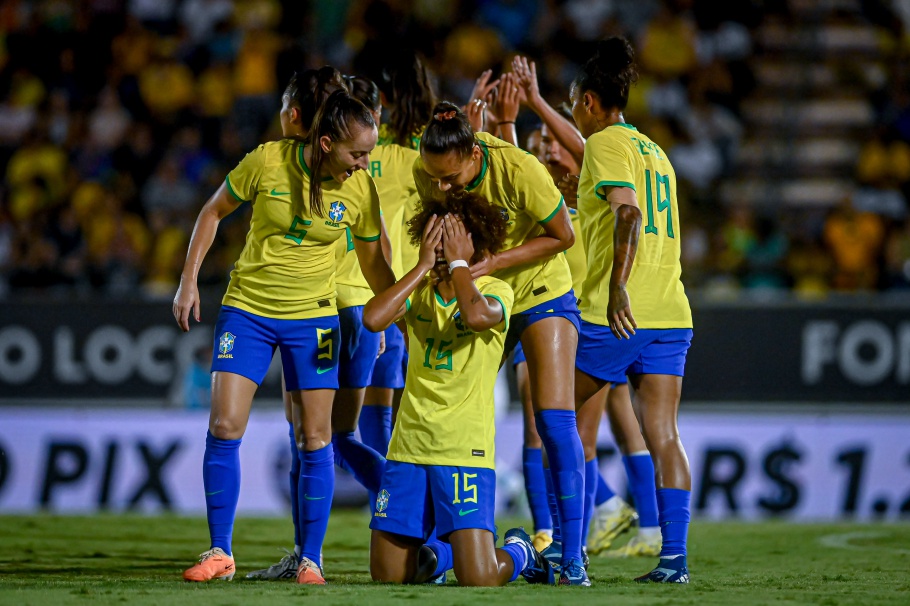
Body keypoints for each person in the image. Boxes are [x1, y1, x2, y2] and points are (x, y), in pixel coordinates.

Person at [174, 82, 396, 585]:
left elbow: (374, 265)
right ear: (325, 144)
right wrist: (188, 281)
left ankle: (310, 561)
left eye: (369, 154)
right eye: (358, 153)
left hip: (314, 319)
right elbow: (213, 211)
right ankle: (220, 553)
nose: (364, 164)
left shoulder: (361, 189)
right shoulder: (267, 161)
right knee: (225, 426)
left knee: (316, 438)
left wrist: (400, 310)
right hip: (247, 311)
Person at [413, 102, 589, 586]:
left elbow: (564, 234)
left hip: (537, 291)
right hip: (479, 288)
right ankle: (442, 548)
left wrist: (493, 263)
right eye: (435, 178)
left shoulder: (520, 168)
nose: (443, 187)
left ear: (474, 153)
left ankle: (572, 555)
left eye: (451, 178)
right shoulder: (428, 166)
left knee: (553, 419)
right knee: (445, 400)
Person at [363, 191, 549, 587]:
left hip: (465, 450)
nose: (444, 245)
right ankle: (441, 553)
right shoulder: (419, 291)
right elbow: (373, 318)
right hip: (409, 447)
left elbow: (477, 315)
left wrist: (462, 264)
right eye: (438, 235)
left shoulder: (498, 291)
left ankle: (521, 550)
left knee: (479, 579)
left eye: (453, 237)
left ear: (473, 240)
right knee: (389, 576)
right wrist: (420, 266)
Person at [569, 37, 694, 583]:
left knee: (551, 417)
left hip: (616, 312)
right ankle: (674, 560)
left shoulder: (603, 144)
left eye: (574, 101)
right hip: (671, 310)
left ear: (591, 101)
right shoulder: (654, 150)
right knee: (662, 433)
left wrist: (617, 285)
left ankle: (565, 549)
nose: (575, 110)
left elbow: (627, 214)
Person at [359, 51, 437, 458]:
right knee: (408, 406)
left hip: (362, 286)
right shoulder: (426, 153)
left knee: (359, 412)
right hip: (408, 288)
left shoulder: (360, 150)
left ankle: (388, 505)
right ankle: (404, 504)